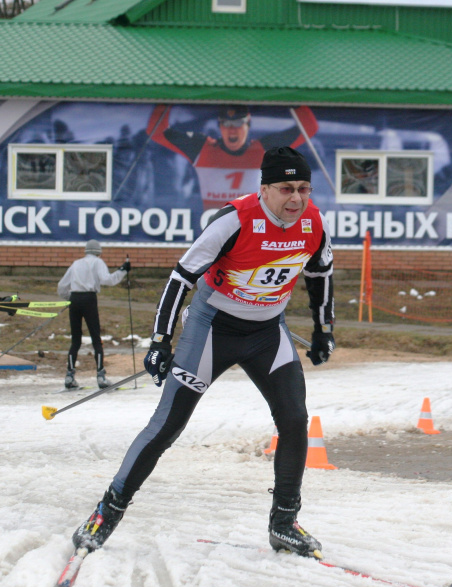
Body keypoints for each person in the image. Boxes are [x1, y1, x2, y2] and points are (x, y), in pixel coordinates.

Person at [71, 147, 336, 558]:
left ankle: (284, 523)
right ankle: (107, 512)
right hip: (214, 327)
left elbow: (320, 274)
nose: (297, 199)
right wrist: (160, 340)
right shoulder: (234, 220)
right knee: (168, 425)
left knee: (295, 419)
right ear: (265, 188)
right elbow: (181, 277)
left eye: (304, 188)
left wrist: (323, 330)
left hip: (268, 331)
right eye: (287, 188)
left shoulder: (314, 223)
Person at [147, 104, 320, 210]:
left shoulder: (262, 149)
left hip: (251, 232)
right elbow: (156, 131)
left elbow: (309, 126)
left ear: (248, 125)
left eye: (238, 124)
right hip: (213, 230)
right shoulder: (202, 147)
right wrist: (169, 98)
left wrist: (290, 95)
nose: (232, 130)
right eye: (226, 124)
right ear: (220, 127)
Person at [57, 240, 129, 389]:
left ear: (85, 251)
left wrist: (68, 297)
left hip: (75, 299)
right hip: (89, 299)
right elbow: (107, 280)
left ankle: (69, 376)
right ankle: (101, 376)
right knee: (95, 337)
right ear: (99, 252)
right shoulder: (98, 262)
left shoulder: (76, 263)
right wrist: (122, 270)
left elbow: (62, 285)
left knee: (75, 339)